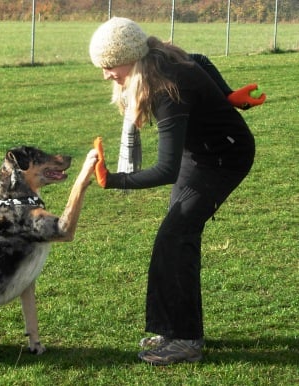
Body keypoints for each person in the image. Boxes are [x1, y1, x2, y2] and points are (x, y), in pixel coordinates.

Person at [88, 17, 265, 365]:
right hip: (197, 156)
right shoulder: (160, 58)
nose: (107, 75)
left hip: (224, 157)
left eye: (110, 66)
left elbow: (166, 171)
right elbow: (198, 58)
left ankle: (184, 340)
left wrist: (114, 179)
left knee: (175, 237)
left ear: (131, 57)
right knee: (173, 239)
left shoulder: (167, 87)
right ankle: (174, 329)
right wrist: (227, 94)